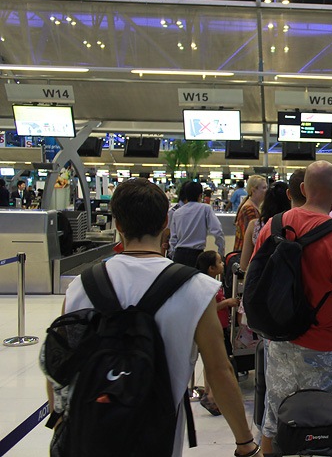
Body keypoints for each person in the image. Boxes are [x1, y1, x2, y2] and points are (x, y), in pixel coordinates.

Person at [50, 178, 261, 457]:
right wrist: (245, 443)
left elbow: (59, 366)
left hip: (90, 435)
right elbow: (219, 371)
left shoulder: (82, 285)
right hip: (157, 435)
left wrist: (62, 426)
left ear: (118, 225)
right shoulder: (196, 288)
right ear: (165, 223)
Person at [252, 161, 332, 454]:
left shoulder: (273, 225)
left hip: (279, 340)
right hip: (325, 347)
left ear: (303, 189)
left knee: (275, 415)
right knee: (326, 421)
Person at [195, 250, 239, 416]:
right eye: (219, 262)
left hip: (217, 327)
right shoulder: (208, 286)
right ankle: (212, 398)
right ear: (211, 268)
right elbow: (210, 307)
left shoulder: (212, 283)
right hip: (214, 329)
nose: (222, 265)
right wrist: (227, 302)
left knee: (211, 363)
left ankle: (210, 394)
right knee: (219, 363)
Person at [168, 181, 225, 266]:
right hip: (196, 255)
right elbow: (217, 231)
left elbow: (173, 238)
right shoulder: (205, 209)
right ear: (200, 195)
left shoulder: (177, 212)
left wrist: (172, 254)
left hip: (179, 255)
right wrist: (221, 252)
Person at [240, 181, 291, 271]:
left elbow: (244, 265)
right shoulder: (293, 225)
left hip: (260, 276)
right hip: (287, 277)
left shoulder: (255, 225)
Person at [233, 176, 267, 252]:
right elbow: (252, 238)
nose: (266, 191)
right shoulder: (249, 210)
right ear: (253, 190)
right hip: (246, 253)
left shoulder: (252, 206)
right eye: (264, 188)